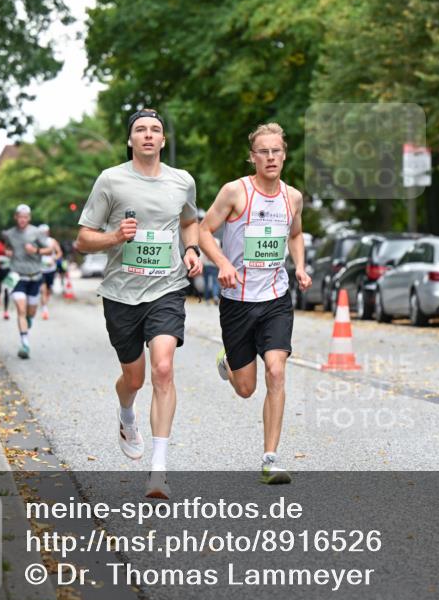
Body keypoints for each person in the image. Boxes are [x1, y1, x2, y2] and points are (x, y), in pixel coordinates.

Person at [76, 108, 201, 499]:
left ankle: (158, 471)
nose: (148, 135)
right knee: (134, 379)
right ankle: (126, 413)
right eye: (141, 130)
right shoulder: (111, 180)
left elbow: (189, 221)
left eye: (155, 129)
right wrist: (115, 237)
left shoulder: (182, 181)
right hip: (121, 294)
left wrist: (192, 248)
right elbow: (83, 240)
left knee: (163, 368)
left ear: (163, 140)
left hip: (167, 288)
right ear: (130, 140)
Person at [198, 123, 311, 485]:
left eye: (276, 150)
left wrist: (301, 266)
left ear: (284, 155)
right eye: (264, 151)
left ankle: (270, 459)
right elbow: (203, 230)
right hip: (237, 301)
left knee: (276, 371)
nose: (271, 157)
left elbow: (296, 234)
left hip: (276, 298)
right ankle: (228, 364)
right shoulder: (235, 192)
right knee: (246, 388)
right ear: (253, 157)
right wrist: (223, 263)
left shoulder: (293, 197)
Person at [2, 205, 54, 358]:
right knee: (21, 310)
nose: (22, 220)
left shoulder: (36, 232)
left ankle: (29, 320)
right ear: (16, 217)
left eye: (25, 217)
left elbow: (50, 250)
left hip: (35, 276)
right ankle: (25, 344)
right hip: (17, 277)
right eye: (20, 217)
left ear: (29, 218)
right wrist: (8, 252)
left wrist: (36, 250)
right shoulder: (10, 234)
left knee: (31, 312)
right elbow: (7, 247)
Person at [37, 224, 63, 320]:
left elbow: (59, 252)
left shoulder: (52, 241)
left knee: (48, 290)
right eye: (42, 232)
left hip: (51, 269)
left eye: (46, 232)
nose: (44, 233)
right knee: (43, 290)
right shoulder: (37, 242)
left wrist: (54, 259)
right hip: (40, 270)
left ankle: (45, 302)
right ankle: (45, 310)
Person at [201, 234, 220, 305]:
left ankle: (207, 299)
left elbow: (202, 254)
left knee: (206, 283)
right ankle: (215, 296)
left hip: (206, 265)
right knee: (215, 282)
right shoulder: (217, 241)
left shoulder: (203, 240)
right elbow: (219, 252)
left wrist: (201, 264)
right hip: (214, 265)